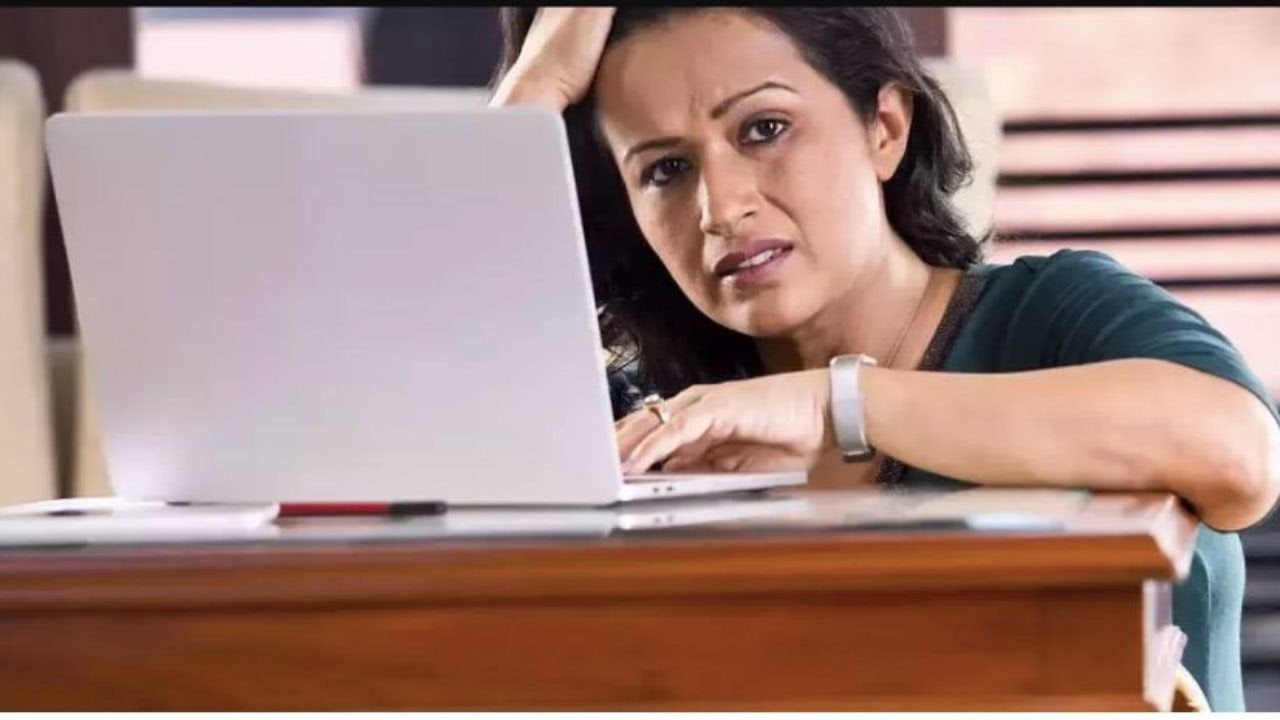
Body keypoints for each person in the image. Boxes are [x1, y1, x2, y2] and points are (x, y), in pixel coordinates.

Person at [489, 7, 1280, 709]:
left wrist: (834, 403)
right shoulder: (654, 430)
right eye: (666, 169)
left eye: (764, 129)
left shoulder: (1051, 315)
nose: (720, 207)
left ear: (886, 127)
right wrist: (533, 92)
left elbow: (1238, 455)